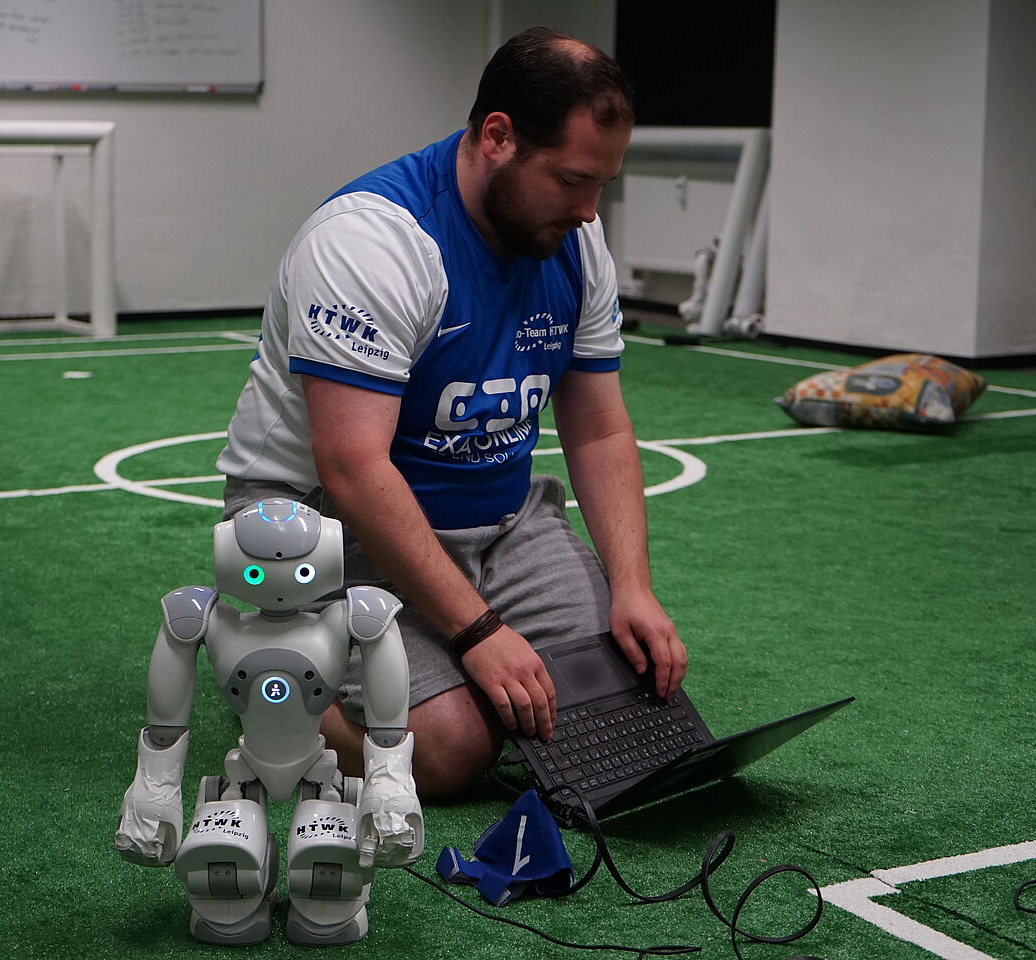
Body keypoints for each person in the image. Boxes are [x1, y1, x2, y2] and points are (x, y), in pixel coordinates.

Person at [214, 26, 687, 800]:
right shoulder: (371, 242)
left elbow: (600, 428)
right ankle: (271, 673)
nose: (590, 211)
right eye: (572, 179)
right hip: (328, 523)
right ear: (497, 136)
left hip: (500, 519)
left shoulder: (573, 239)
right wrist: (480, 633)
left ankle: (429, 653)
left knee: (612, 695)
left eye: (603, 184)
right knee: (451, 750)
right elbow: (353, 466)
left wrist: (633, 586)